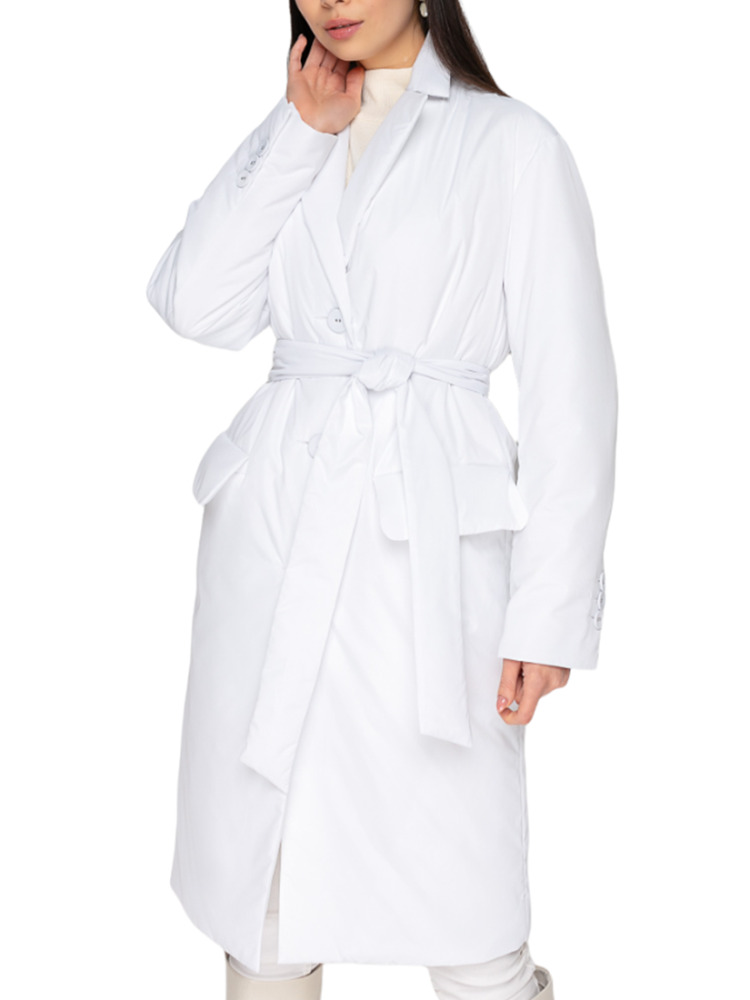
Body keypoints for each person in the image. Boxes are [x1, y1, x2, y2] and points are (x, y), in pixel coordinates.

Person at [145, 2, 618, 999]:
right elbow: (195, 304)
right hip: (278, 547)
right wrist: (298, 129)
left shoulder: (513, 144)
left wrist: (549, 612)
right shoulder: (297, 128)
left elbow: (571, 393)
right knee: (266, 898)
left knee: (470, 909)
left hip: (425, 560)